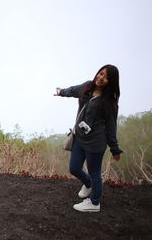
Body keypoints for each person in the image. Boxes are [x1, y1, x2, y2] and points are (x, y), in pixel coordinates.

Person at [54, 64, 123, 212]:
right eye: (101, 73)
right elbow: (73, 90)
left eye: (106, 77)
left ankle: (94, 203)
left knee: (95, 172)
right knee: (74, 168)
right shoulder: (86, 87)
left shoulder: (110, 101)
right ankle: (88, 184)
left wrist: (114, 148)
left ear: (111, 82)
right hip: (79, 137)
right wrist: (61, 92)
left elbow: (111, 126)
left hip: (96, 142)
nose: (101, 78)